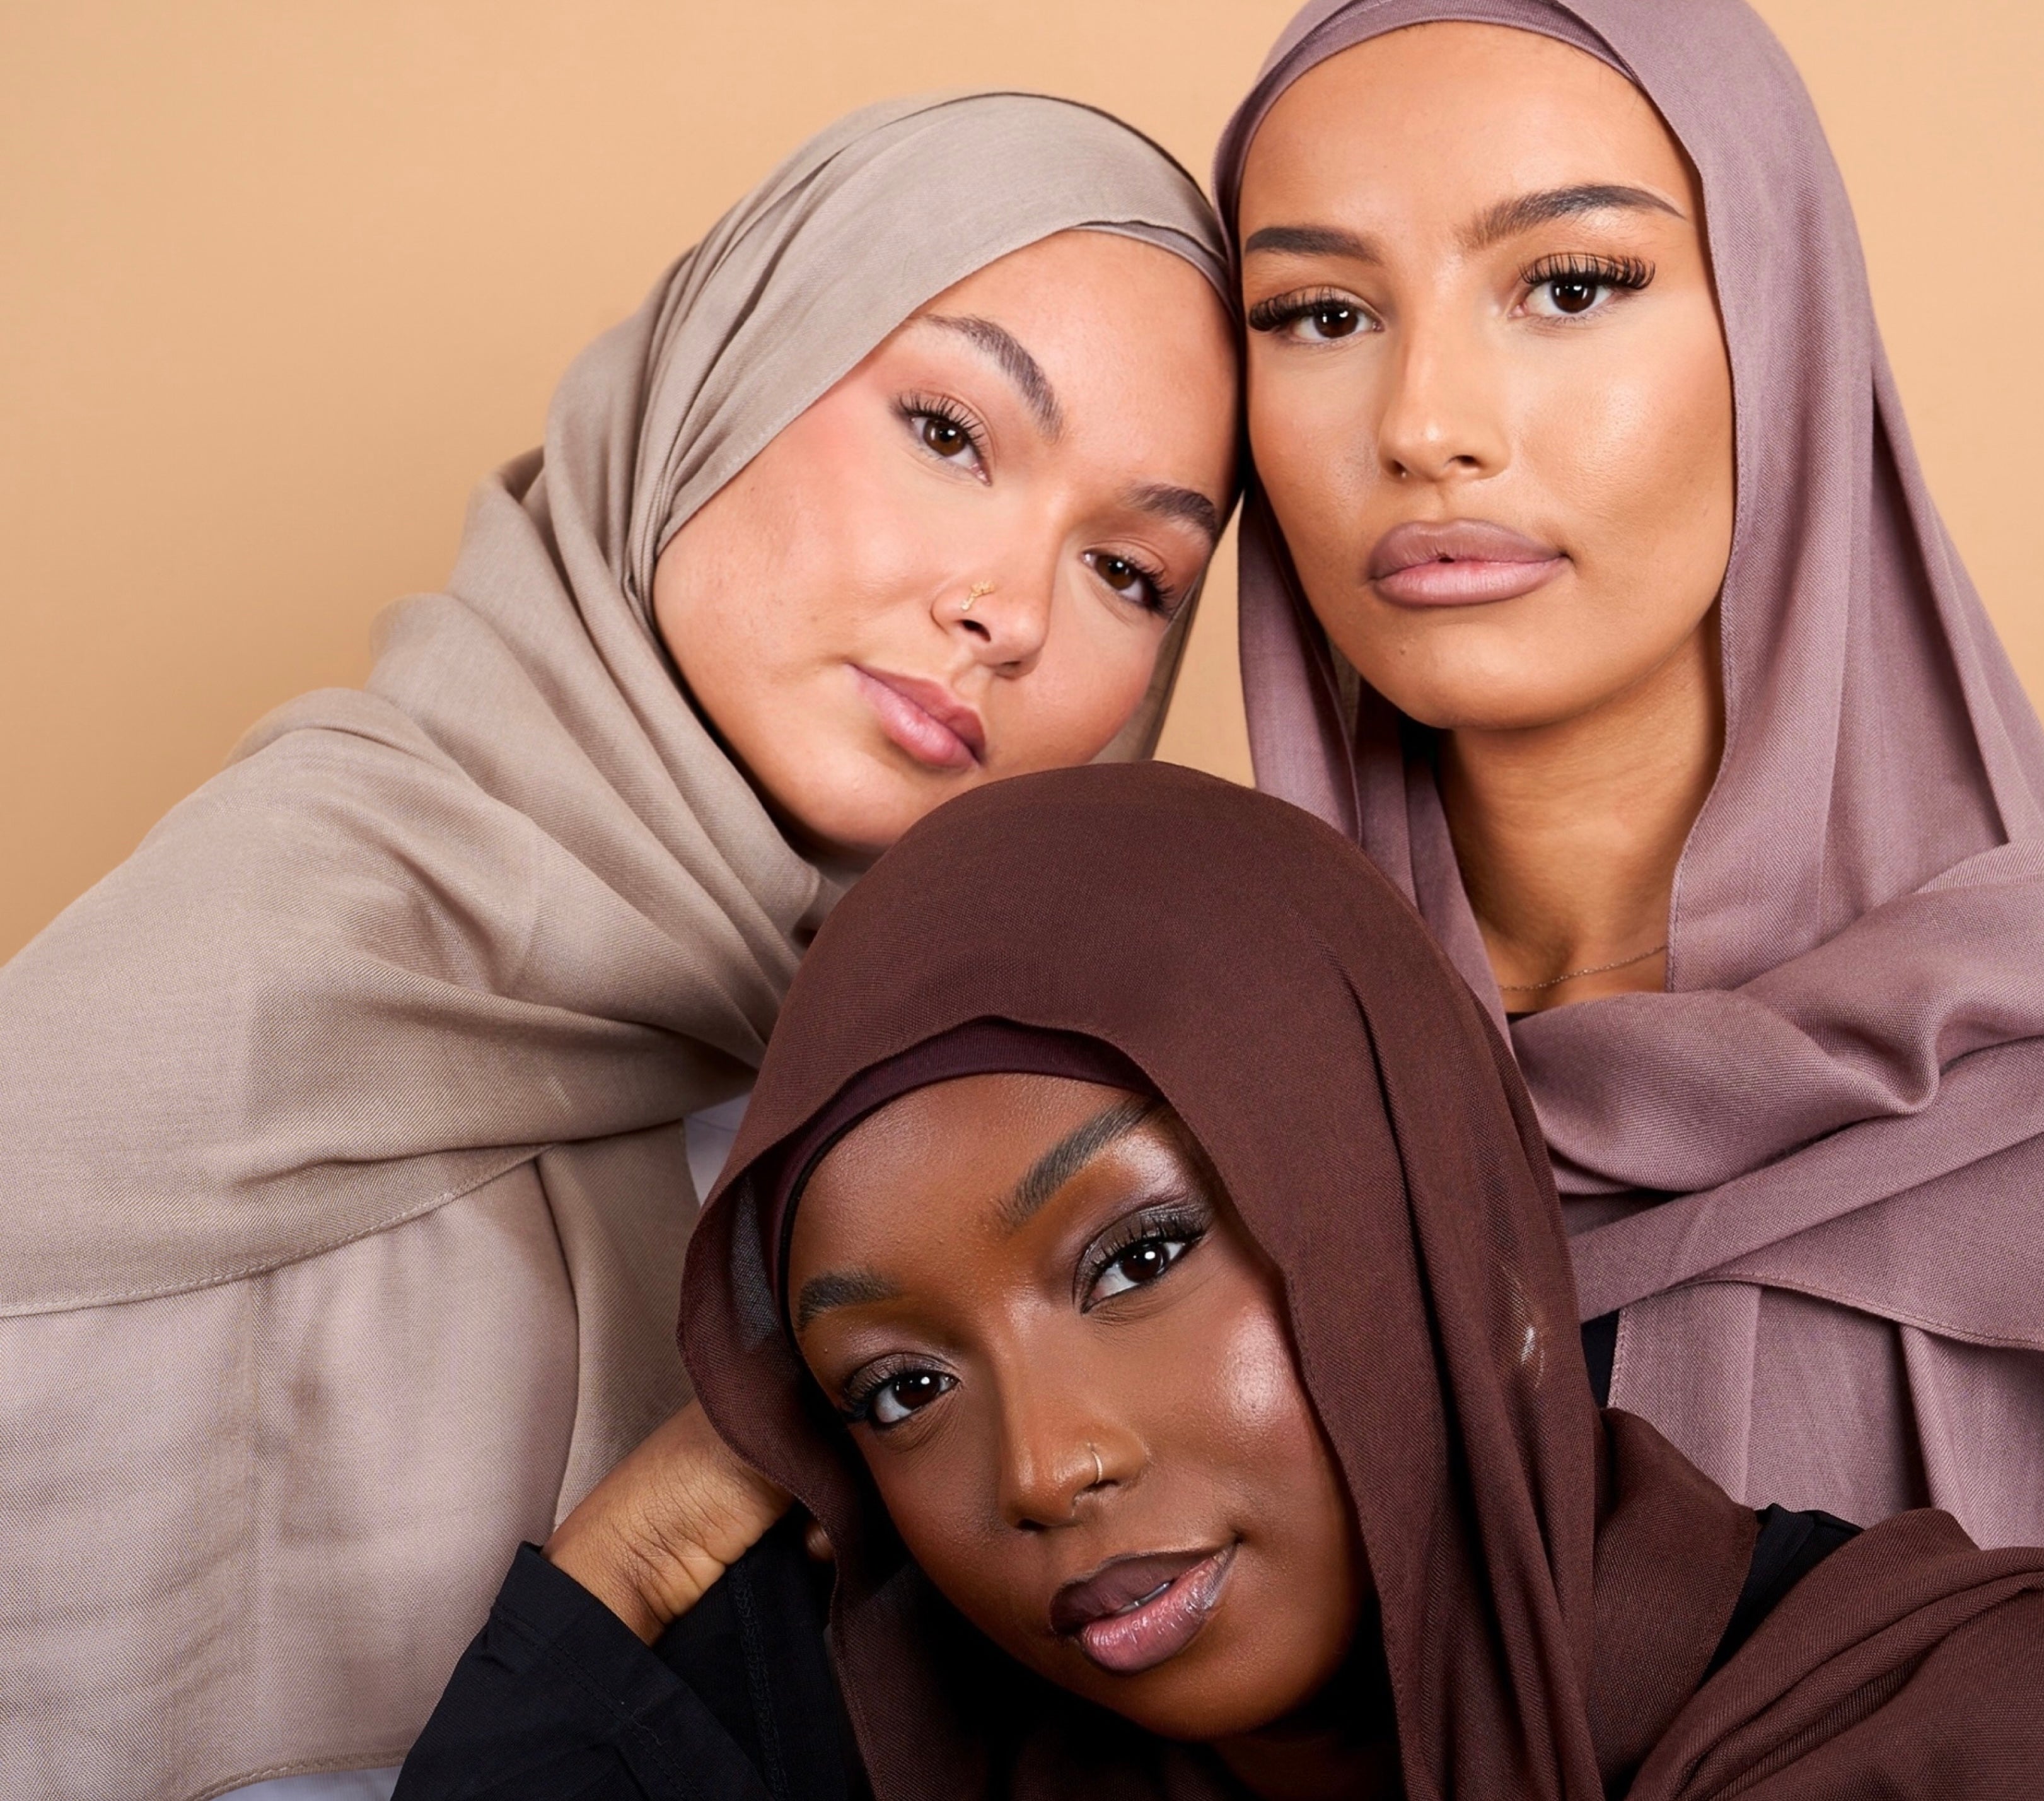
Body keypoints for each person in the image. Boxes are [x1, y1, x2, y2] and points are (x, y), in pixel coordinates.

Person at [1214, 2, 2044, 1792]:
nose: (1426, 423)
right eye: (1320, 314)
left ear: (1781, 327)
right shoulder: (1189, 1127)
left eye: (1572, 283)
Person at [0, 93, 1236, 1801]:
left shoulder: (1008, 1132)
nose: (1009, 612)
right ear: (721, 374)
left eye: (1129, 568)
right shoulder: (226, 998)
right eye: (950, 432)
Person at [398, 762, 2044, 1799]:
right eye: (902, 1388)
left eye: (1138, 1257)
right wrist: (648, 1552)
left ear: (1430, 1225)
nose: (1043, 1470)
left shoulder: (1975, 1744)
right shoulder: (919, 1725)